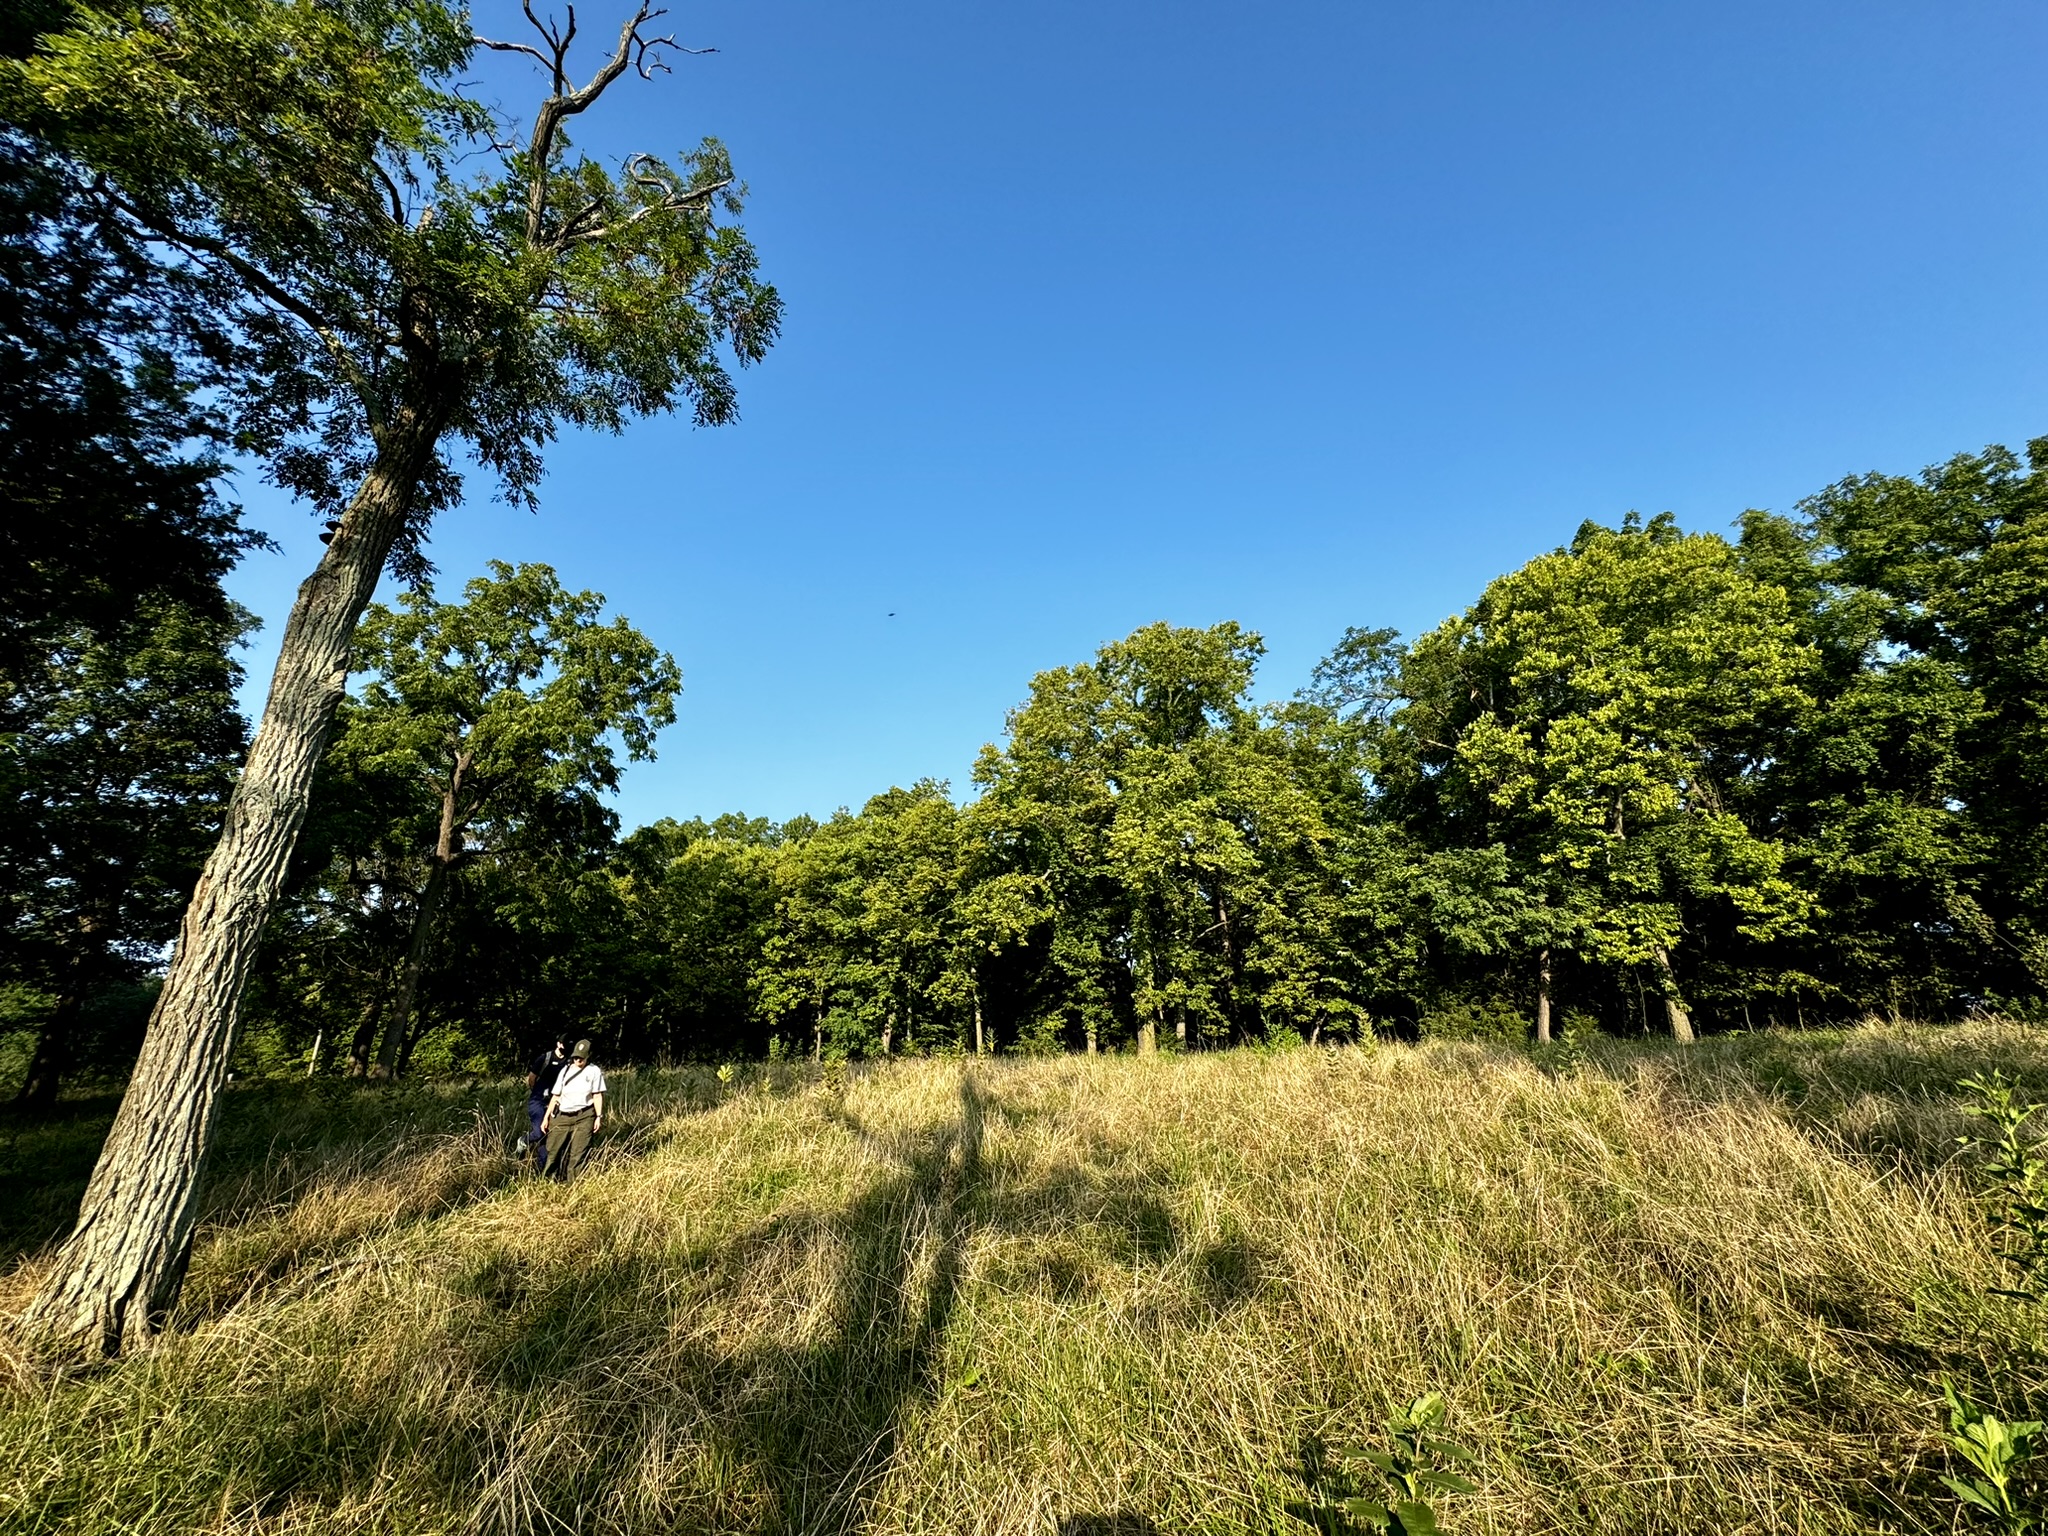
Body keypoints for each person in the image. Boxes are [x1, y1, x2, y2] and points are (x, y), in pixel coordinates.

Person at [542, 1038, 606, 1182]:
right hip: (562, 1116)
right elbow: (555, 1096)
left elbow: (597, 1095)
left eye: (581, 1058)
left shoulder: (594, 1071)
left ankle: (574, 1186)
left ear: (588, 1057)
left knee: (578, 1154)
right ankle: (548, 1183)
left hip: (584, 1116)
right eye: (576, 1057)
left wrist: (598, 1116)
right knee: (553, 1152)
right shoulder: (565, 1070)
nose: (578, 1060)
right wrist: (546, 1117)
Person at [520, 1036, 570, 1172]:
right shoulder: (545, 1058)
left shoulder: (569, 1062)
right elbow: (531, 1078)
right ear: (558, 1044)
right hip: (538, 1101)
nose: (566, 1048)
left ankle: (543, 1169)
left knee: (548, 1136)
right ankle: (524, 1141)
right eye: (564, 1045)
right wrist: (538, 1092)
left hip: (556, 1102)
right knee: (539, 1132)